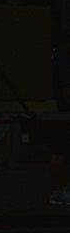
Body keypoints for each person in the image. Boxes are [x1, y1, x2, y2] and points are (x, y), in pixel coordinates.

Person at [50, 28, 70, 206]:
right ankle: (61, 190)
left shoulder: (52, 56)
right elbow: (66, 89)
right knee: (62, 154)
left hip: (51, 109)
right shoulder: (63, 59)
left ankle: (57, 191)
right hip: (62, 111)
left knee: (57, 153)